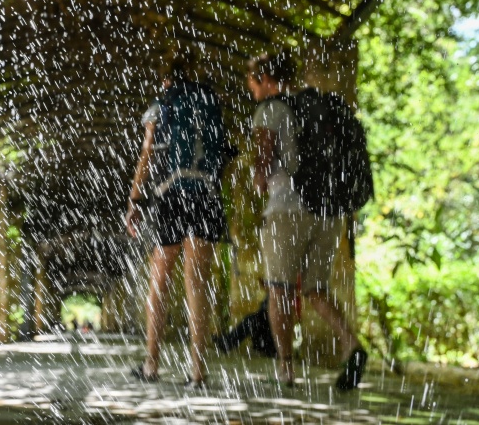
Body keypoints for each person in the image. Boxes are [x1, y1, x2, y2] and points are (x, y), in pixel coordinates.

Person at [247, 51, 367, 390]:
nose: (250, 86)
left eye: (252, 79)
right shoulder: (315, 106)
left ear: (266, 79)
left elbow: (262, 162)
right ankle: (350, 343)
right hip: (326, 212)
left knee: (280, 290)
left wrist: (259, 185)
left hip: (287, 211)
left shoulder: (270, 109)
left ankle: (286, 369)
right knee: (315, 288)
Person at [125, 57, 227, 389]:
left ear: (165, 78)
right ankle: (198, 369)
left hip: (172, 194)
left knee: (160, 278)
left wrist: (134, 201)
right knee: (197, 283)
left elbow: (147, 153)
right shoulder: (209, 100)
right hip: (207, 194)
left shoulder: (162, 103)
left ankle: (152, 363)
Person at [212, 278, 277, 358]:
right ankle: (228, 342)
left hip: (273, 340)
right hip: (267, 336)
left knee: (253, 319)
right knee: (254, 318)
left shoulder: (279, 295)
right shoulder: (272, 296)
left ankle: (228, 342)